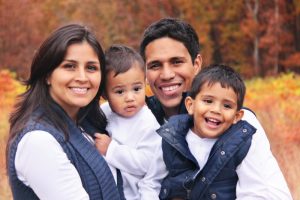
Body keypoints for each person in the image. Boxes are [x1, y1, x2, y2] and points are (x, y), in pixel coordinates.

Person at [140, 18, 292, 199]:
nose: (166, 75)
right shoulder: (132, 118)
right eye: (155, 65)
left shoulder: (239, 125)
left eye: (176, 62)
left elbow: (272, 196)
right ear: (145, 74)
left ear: (196, 64)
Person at [6, 24, 124, 200]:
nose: (82, 78)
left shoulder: (88, 125)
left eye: (91, 68)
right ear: (47, 75)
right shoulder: (38, 140)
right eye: (69, 66)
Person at [94, 44, 163, 200]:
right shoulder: (104, 112)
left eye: (137, 89)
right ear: (104, 93)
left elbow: (146, 163)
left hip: (134, 194)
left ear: (144, 83)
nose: (130, 98)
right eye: (120, 91)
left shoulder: (147, 122)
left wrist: (111, 149)